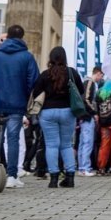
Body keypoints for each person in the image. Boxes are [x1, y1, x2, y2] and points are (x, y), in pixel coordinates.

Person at [0, 23, 39, 189]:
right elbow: (34, 80)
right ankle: (12, 175)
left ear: (7, 37)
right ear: (22, 37)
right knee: (13, 139)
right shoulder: (27, 57)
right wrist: (25, 93)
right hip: (17, 103)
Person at [31, 46, 83, 188]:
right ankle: (70, 177)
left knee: (51, 145)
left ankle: (53, 178)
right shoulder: (72, 73)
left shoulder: (45, 74)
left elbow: (36, 93)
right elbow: (81, 91)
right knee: (66, 145)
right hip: (67, 111)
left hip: (48, 112)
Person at [78, 66, 103, 177]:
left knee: (83, 142)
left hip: (84, 116)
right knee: (87, 142)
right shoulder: (90, 82)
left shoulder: (86, 82)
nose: (101, 78)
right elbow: (86, 99)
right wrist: (94, 113)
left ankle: (81, 167)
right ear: (97, 73)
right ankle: (85, 167)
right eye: (101, 76)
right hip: (88, 117)